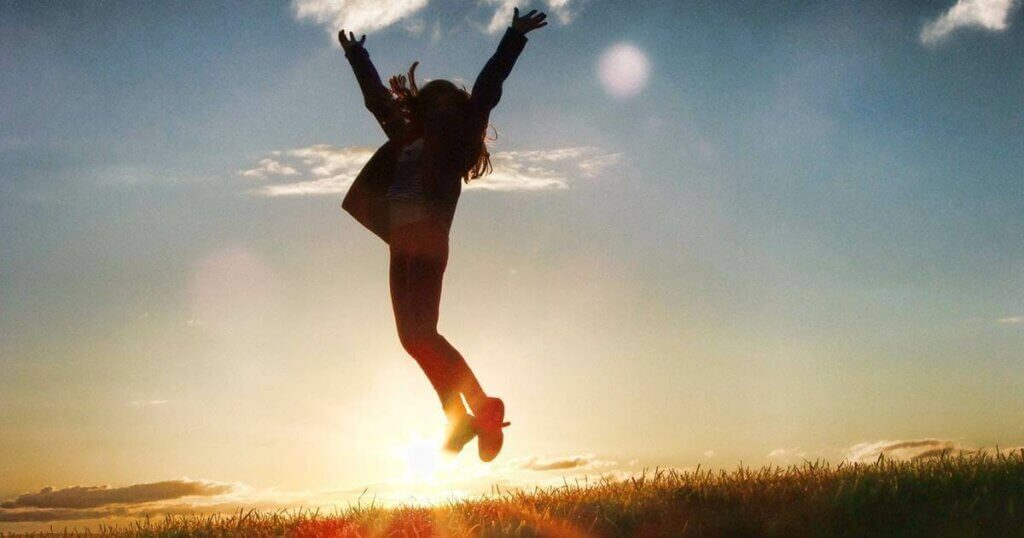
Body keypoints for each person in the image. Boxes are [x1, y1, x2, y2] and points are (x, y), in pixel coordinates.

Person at [338, 8, 548, 462]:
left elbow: (488, 90)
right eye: (428, 99)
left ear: (452, 107)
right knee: (413, 337)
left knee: (423, 332)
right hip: (402, 240)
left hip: (428, 236)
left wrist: (513, 37)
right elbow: (378, 101)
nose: (434, 103)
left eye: (442, 99)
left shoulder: (458, 137)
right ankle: (468, 416)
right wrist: (357, 56)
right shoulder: (404, 133)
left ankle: (474, 410)